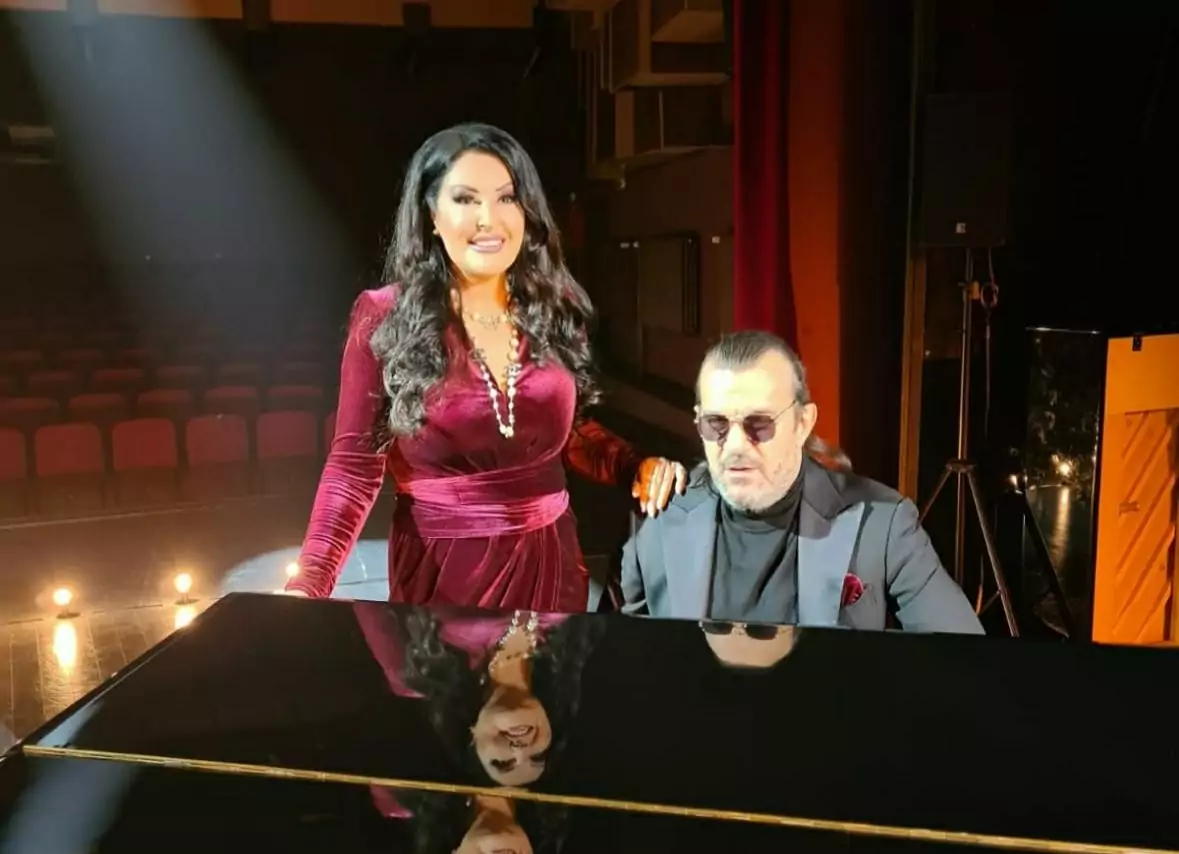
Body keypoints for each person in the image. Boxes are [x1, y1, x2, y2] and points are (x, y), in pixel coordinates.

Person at [285, 123, 686, 610]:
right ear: (431, 215)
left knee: (552, 664)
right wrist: (310, 584)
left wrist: (634, 465)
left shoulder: (552, 306)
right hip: (443, 576)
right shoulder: (385, 317)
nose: (488, 219)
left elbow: (568, 433)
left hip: (552, 567)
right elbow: (354, 467)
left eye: (506, 198)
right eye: (465, 199)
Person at [621, 330, 983, 634]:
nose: (734, 446)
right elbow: (631, 663)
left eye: (759, 424)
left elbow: (962, 658)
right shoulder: (661, 516)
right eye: (717, 424)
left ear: (803, 424)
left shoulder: (882, 522)